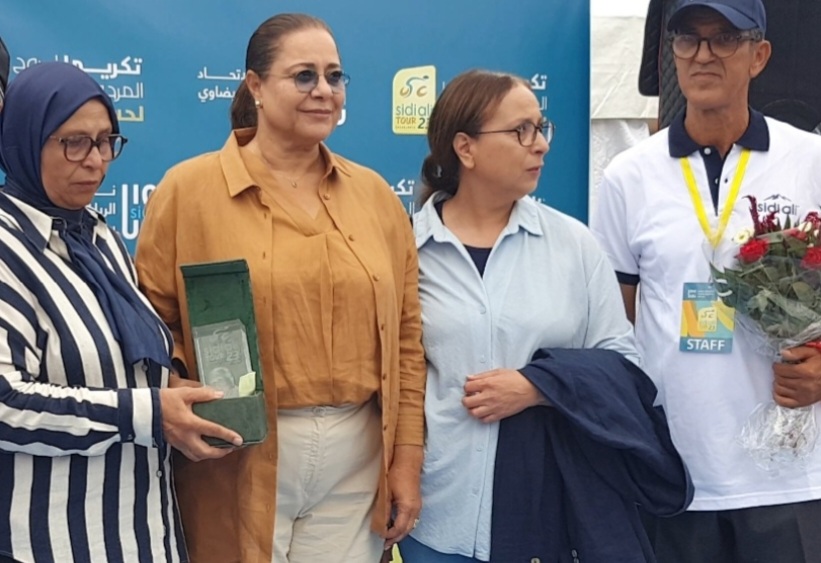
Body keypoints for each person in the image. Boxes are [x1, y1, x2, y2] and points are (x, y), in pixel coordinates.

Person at [135, 12, 426, 563]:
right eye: (304, 76)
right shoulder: (188, 190)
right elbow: (152, 323)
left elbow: (408, 341)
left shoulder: (376, 197)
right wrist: (180, 394)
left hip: (357, 454)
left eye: (335, 77)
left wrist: (406, 458)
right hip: (237, 456)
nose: (324, 91)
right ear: (256, 87)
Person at [400, 69, 691, 563]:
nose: (541, 145)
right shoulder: (407, 250)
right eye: (521, 131)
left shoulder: (573, 244)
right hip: (434, 511)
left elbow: (624, 364)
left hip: (546, 514)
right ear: (465, 149)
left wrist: (539, 386)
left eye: (541, 128)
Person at [591, 0, 821, 561]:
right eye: (688, 40)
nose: (703, 55)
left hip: (789, 468)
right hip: (674, 467)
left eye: (724, 38)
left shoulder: (810, 160)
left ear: (759, 55)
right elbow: (609, 320)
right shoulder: (628, 175)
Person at [0, 62, 241, 563]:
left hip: (146, 535)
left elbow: (127, 362)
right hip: (54, 543)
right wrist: (148, 413)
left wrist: (175, 393)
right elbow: (5, 403)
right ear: (26, 140)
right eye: (74, 142)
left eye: (107, 140)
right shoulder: (6, 247)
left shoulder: (99, 237)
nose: (96, 161)